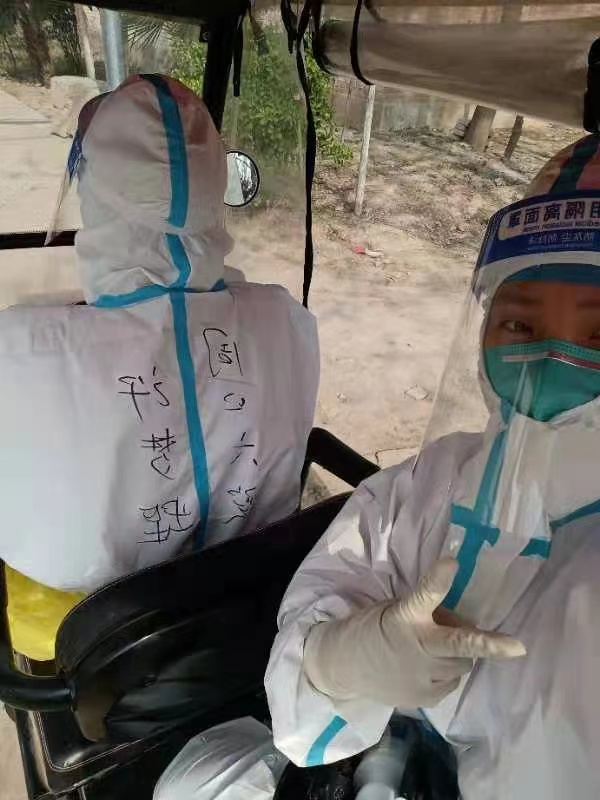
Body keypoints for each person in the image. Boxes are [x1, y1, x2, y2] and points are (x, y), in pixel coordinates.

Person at [265, 134, 600, 799]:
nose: (548, 365)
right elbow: (298, 707)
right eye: (519, 327)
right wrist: (341, 661)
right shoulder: (422, 488)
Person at [0, 74, 319, 598]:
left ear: (96, 196)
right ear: (214, 187)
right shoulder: (284, 319)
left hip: (98, 629)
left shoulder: (23, 353)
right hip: (252, 602)